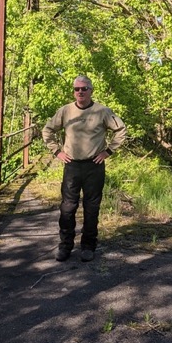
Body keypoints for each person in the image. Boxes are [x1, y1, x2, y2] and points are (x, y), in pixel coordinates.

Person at [42, 75, 127, 262]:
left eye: (84, 89)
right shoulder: (65, 111)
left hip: (94, 166)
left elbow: (121, 130)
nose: (80, 92)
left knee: (91, 207)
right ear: (73, 91)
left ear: (91, 90)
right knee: (67, 207)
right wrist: (57, 151)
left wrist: (108, 151)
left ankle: (88, 245)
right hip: (72, 165)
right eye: (76, 89)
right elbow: (47, 130)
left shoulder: (102, 111)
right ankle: (65, 245)